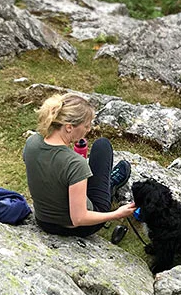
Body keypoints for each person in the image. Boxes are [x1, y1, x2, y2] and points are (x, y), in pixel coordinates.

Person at [23, 92, 134, 238]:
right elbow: (79, 219)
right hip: (76, 227)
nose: (88, 130)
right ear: (69, 127)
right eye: (86, 126)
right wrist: (115, 214)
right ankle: (108, 186)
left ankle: (97, 186)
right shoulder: (75, 163)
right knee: (102, 145)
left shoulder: (32, 142)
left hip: (43, 220)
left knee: (76, 174)